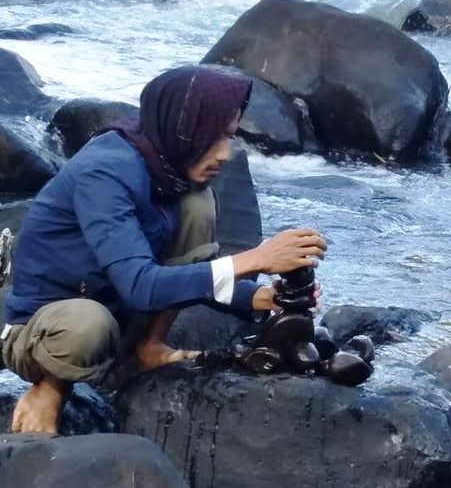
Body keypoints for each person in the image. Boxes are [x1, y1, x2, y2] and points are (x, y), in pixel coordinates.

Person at [1, 66, 327, 434]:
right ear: (183, 127)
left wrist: (262, 297)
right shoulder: (105, 173)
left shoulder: (166, 169)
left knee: (197, 204)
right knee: (88, 324)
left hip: (115, 313)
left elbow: (194, 273)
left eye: (230, 138)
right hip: (44, 331)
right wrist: (255, 258)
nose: (225, 154)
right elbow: (140, 286)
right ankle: (51, 386)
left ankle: (150, 346)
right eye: (215, 137)